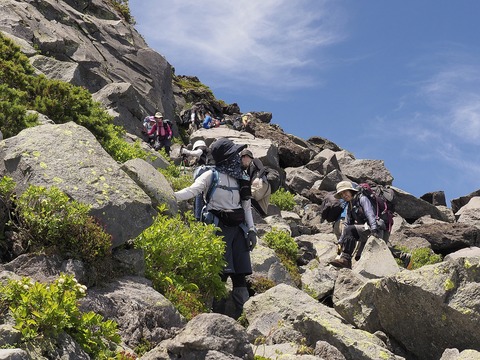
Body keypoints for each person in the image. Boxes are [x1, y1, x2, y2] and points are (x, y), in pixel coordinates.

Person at [174, 138, 257, 319]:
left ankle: (243, 315)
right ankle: (216, 315)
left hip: (239, 230)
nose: (237, 157)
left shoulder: (241, 178)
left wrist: (251, 230)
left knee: (240, 273)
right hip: (217, 228)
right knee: (220, 272)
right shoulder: (210, 175)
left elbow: (246, 207)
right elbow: (192, 191)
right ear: (226, 158)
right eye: (234, 154)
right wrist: (170, 195)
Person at [329, 181, 412, 269]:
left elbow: (370, 213)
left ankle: (346, 260)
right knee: (362, 255)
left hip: (377, 228)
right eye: (341, 194)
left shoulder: (362, 198)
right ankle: (403, 257)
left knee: (374, 247)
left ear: (351, 191)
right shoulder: (350, 205)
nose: (344, 195)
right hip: (367, 228)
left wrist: (374, 228)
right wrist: (341, 241)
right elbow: (348, 223)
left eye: (345, 192)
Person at [180, 139, 212, 220]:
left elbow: (197, 153)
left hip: (207, 171)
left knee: (198, 192)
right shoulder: (207, 154)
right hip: (213, 172)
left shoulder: (203, 148)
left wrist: (185, 151)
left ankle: (197, 216)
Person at [240, 149, 271, 217]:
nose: (242, 162)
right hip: (265, 188)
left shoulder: (254, 161)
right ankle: (263, 217)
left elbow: (263, 169)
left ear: (245, 157)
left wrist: (257, 178)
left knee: (247, 197)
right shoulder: (247, 169)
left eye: (242, 159)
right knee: (261, 208)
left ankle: (262, 215)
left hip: (261, 184)